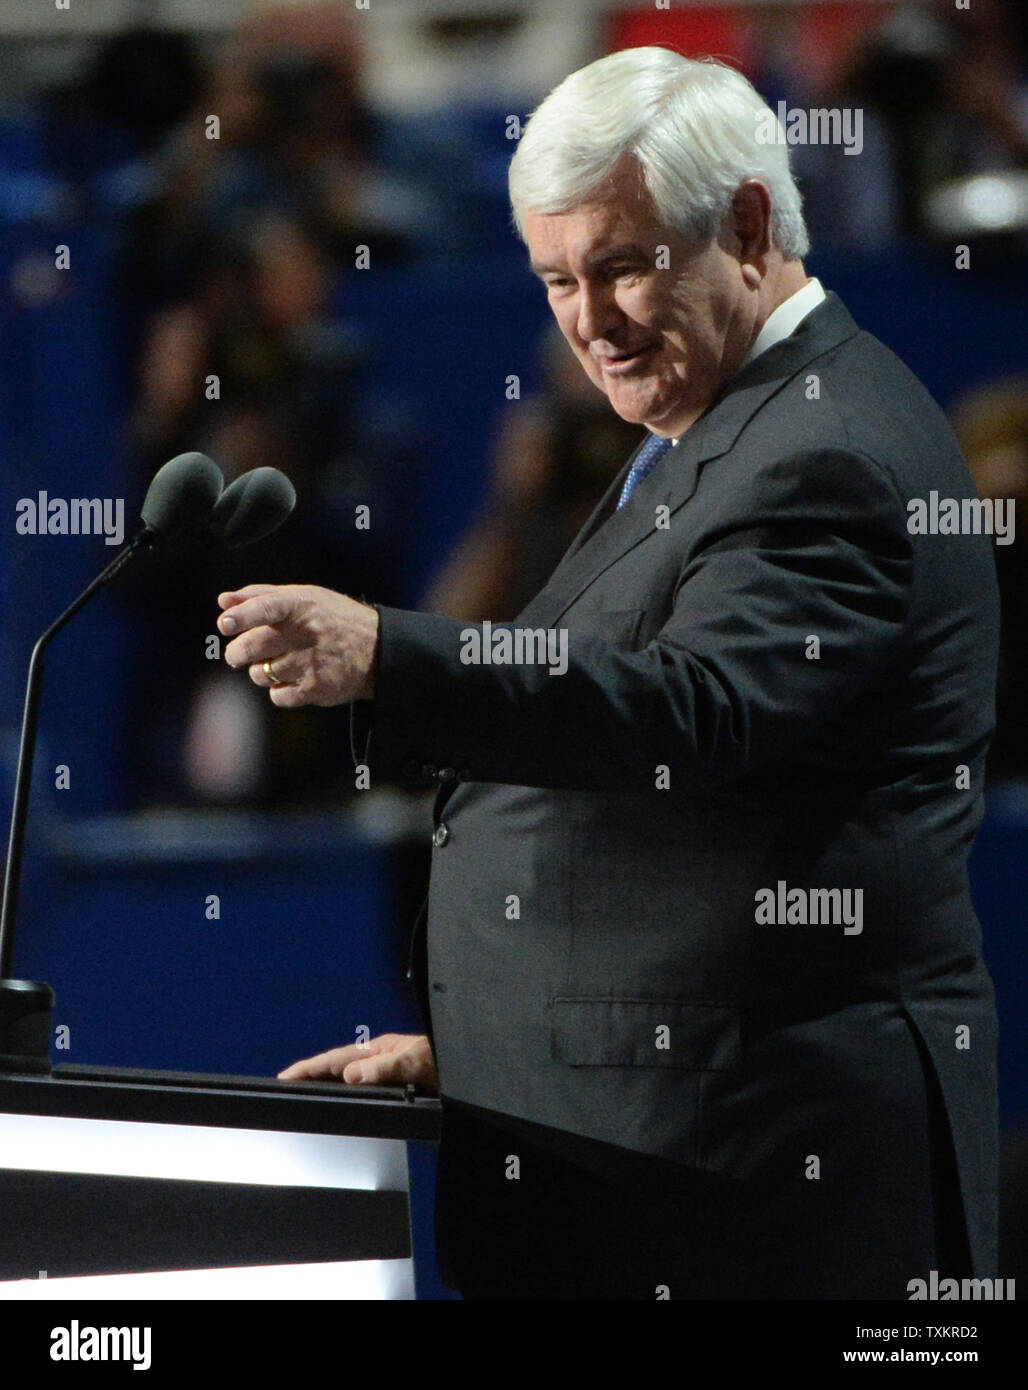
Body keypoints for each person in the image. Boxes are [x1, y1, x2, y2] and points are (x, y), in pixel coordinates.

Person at [216, 48, 1000, 1299]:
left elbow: (690, 715)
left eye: (624, 264)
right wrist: (489, 1053)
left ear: (745, 224)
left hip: (751, 1197)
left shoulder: (820, 454)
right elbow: (673, 857)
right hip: (657, 1148)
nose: (588, 321)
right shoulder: (721, 430)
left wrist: (387, 654)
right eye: (556, 279)